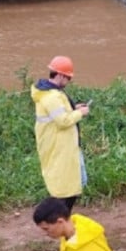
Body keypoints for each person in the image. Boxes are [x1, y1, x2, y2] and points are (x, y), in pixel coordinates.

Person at [30, 56, 90, 214]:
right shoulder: (52, 96)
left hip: (64, 147)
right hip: (60, 148)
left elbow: (59, 113)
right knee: (65, 189)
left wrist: (74, 108)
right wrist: (80, 113)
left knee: (71, 185)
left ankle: (61, 216)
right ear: (61, 76)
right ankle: (59, 217)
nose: (69, 81)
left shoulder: (50, 93)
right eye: (68, 78)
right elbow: (62, 121)